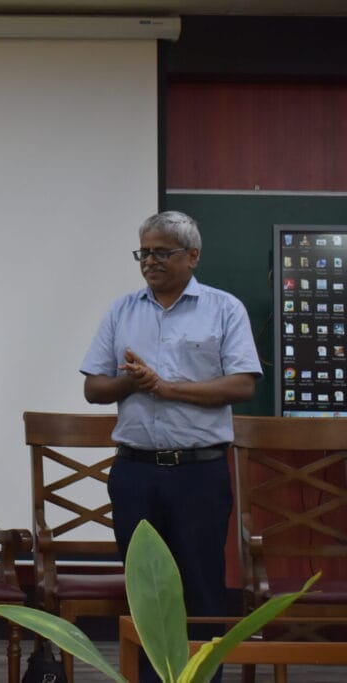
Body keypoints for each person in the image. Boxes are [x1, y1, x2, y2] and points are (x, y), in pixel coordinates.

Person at [80, 210, 261, 683]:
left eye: (162, 252)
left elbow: (242, 384)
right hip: (135, 473)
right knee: (145, 593)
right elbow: (94, 388)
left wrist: (164, 387)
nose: (150, 262)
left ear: (192, 256)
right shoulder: (122, 311)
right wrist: (133, 382)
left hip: (198, 473)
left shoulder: (224, 308)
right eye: (144, 253)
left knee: (201, 587)